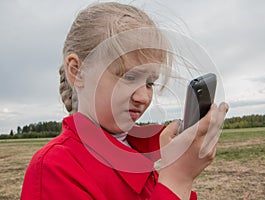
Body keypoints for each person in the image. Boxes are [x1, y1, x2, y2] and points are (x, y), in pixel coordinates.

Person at [21, 2, 228, 200]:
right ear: (77, 71)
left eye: (149, 83)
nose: (144, 97)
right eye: (128, 77)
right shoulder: (54, 167)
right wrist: (177, 178)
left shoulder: (144, 152)